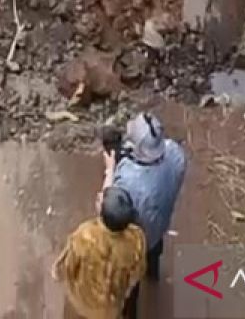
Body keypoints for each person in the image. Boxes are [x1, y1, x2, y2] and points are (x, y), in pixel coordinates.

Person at [101, 113, 187, 285]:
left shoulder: (128, 180)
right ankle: (153, 276)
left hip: (136, 237)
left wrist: (110, 170)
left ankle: (132, 303)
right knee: (154, 253)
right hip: (160, 224)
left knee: (132, 277)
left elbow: (109, 206)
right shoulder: (177, 154)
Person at [52, 186, 147, 319]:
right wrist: (126, 291)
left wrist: (60, 274)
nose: (98, 196)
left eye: (100, 200)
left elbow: (70, 267)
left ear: (103, 214)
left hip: (84, 301)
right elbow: (138, 272)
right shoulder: (136, 239)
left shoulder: (85, 235)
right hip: (112, 305)